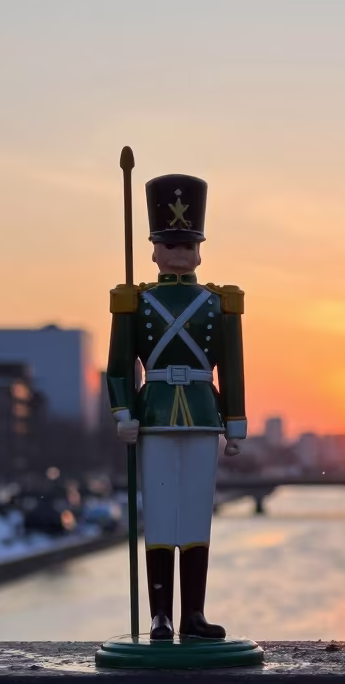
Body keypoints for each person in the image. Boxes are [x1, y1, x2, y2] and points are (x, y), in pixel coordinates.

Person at [106, 173, 247, 641]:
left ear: (200, 250)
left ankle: (194, 615)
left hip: (204, 416)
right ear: (154, 249)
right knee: (162, 515)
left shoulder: (220, 302)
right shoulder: (135, 301)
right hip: (157, 415)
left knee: (196, 516)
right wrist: (123, 412)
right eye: (171, 245)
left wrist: (235, 422)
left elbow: (233, 364)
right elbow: (119, 365)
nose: (180, 253)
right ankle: (161, 615)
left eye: (187, 245)